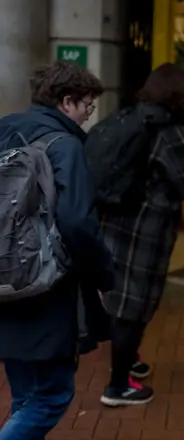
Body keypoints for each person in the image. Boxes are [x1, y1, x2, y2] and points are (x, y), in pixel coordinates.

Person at [0, 61, 114, 439]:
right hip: (44, 287)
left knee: (25, 394)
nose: (87, 115)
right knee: (51, 395)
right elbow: (78, 221)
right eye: (87, 106)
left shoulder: (4, 129)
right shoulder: (64, 145)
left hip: (3, 279)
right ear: (67, 102)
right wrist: (103, 273)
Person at [99, 63, 184, 407]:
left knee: (122, 301)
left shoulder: (136, 115)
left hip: (116, 222)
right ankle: (118, 386)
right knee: (133, 306)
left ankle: (127, 366)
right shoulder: (170, 130)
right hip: (145, 231)